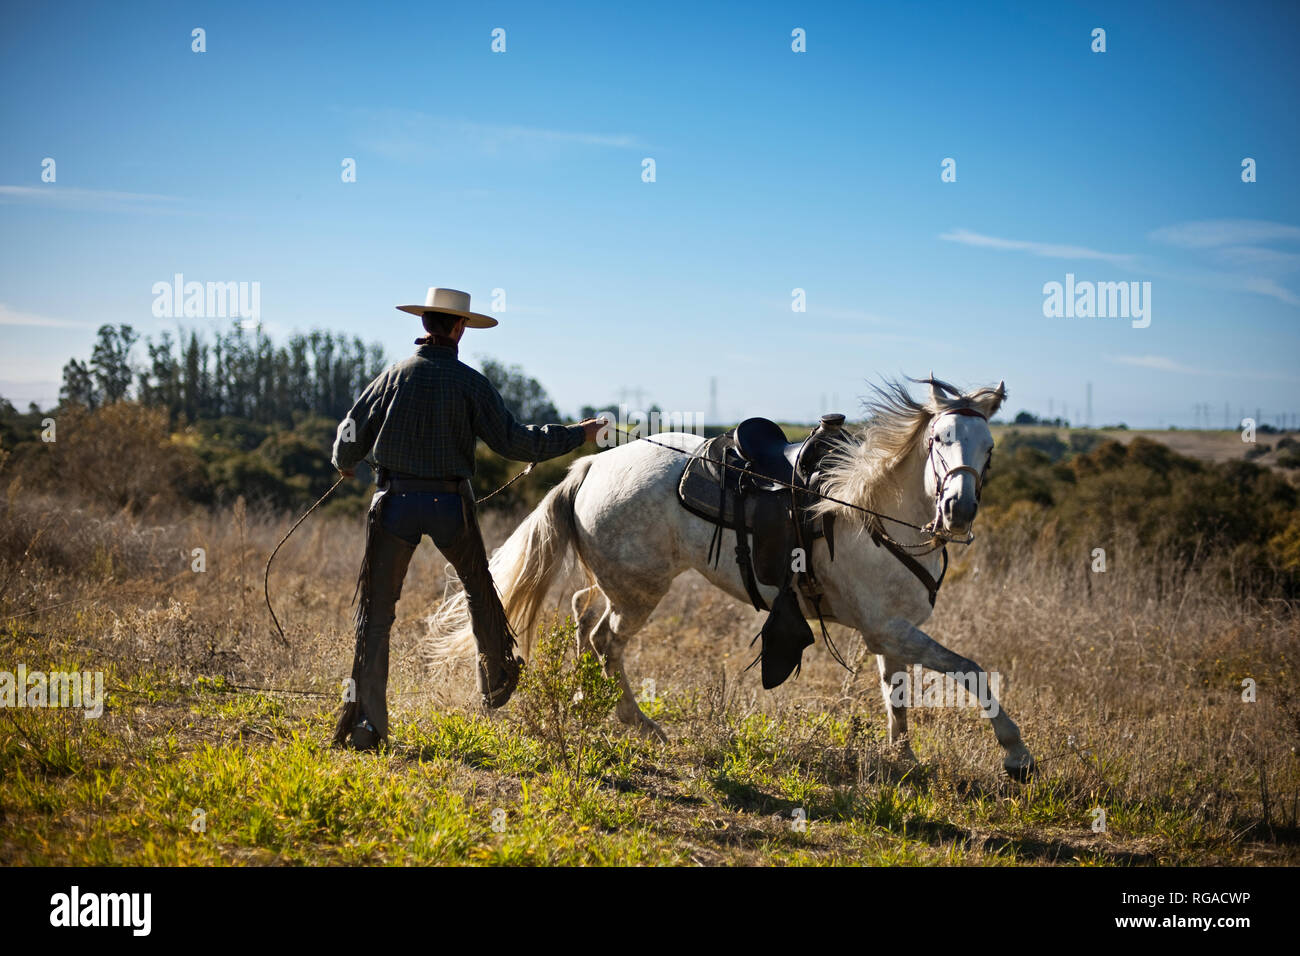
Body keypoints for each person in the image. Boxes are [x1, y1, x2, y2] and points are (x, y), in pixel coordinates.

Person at [330, 287, 605, 750]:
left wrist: (344, 462)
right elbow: (517, 442)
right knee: (480, 591)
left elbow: (349, 434)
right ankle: (497, 678)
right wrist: (579, 433)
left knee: (376, 616)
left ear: (424, 325)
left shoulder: (391, 377)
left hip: (394, 502)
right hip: (450, 505)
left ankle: (366, 726)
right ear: (459, 329)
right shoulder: (471, 383)